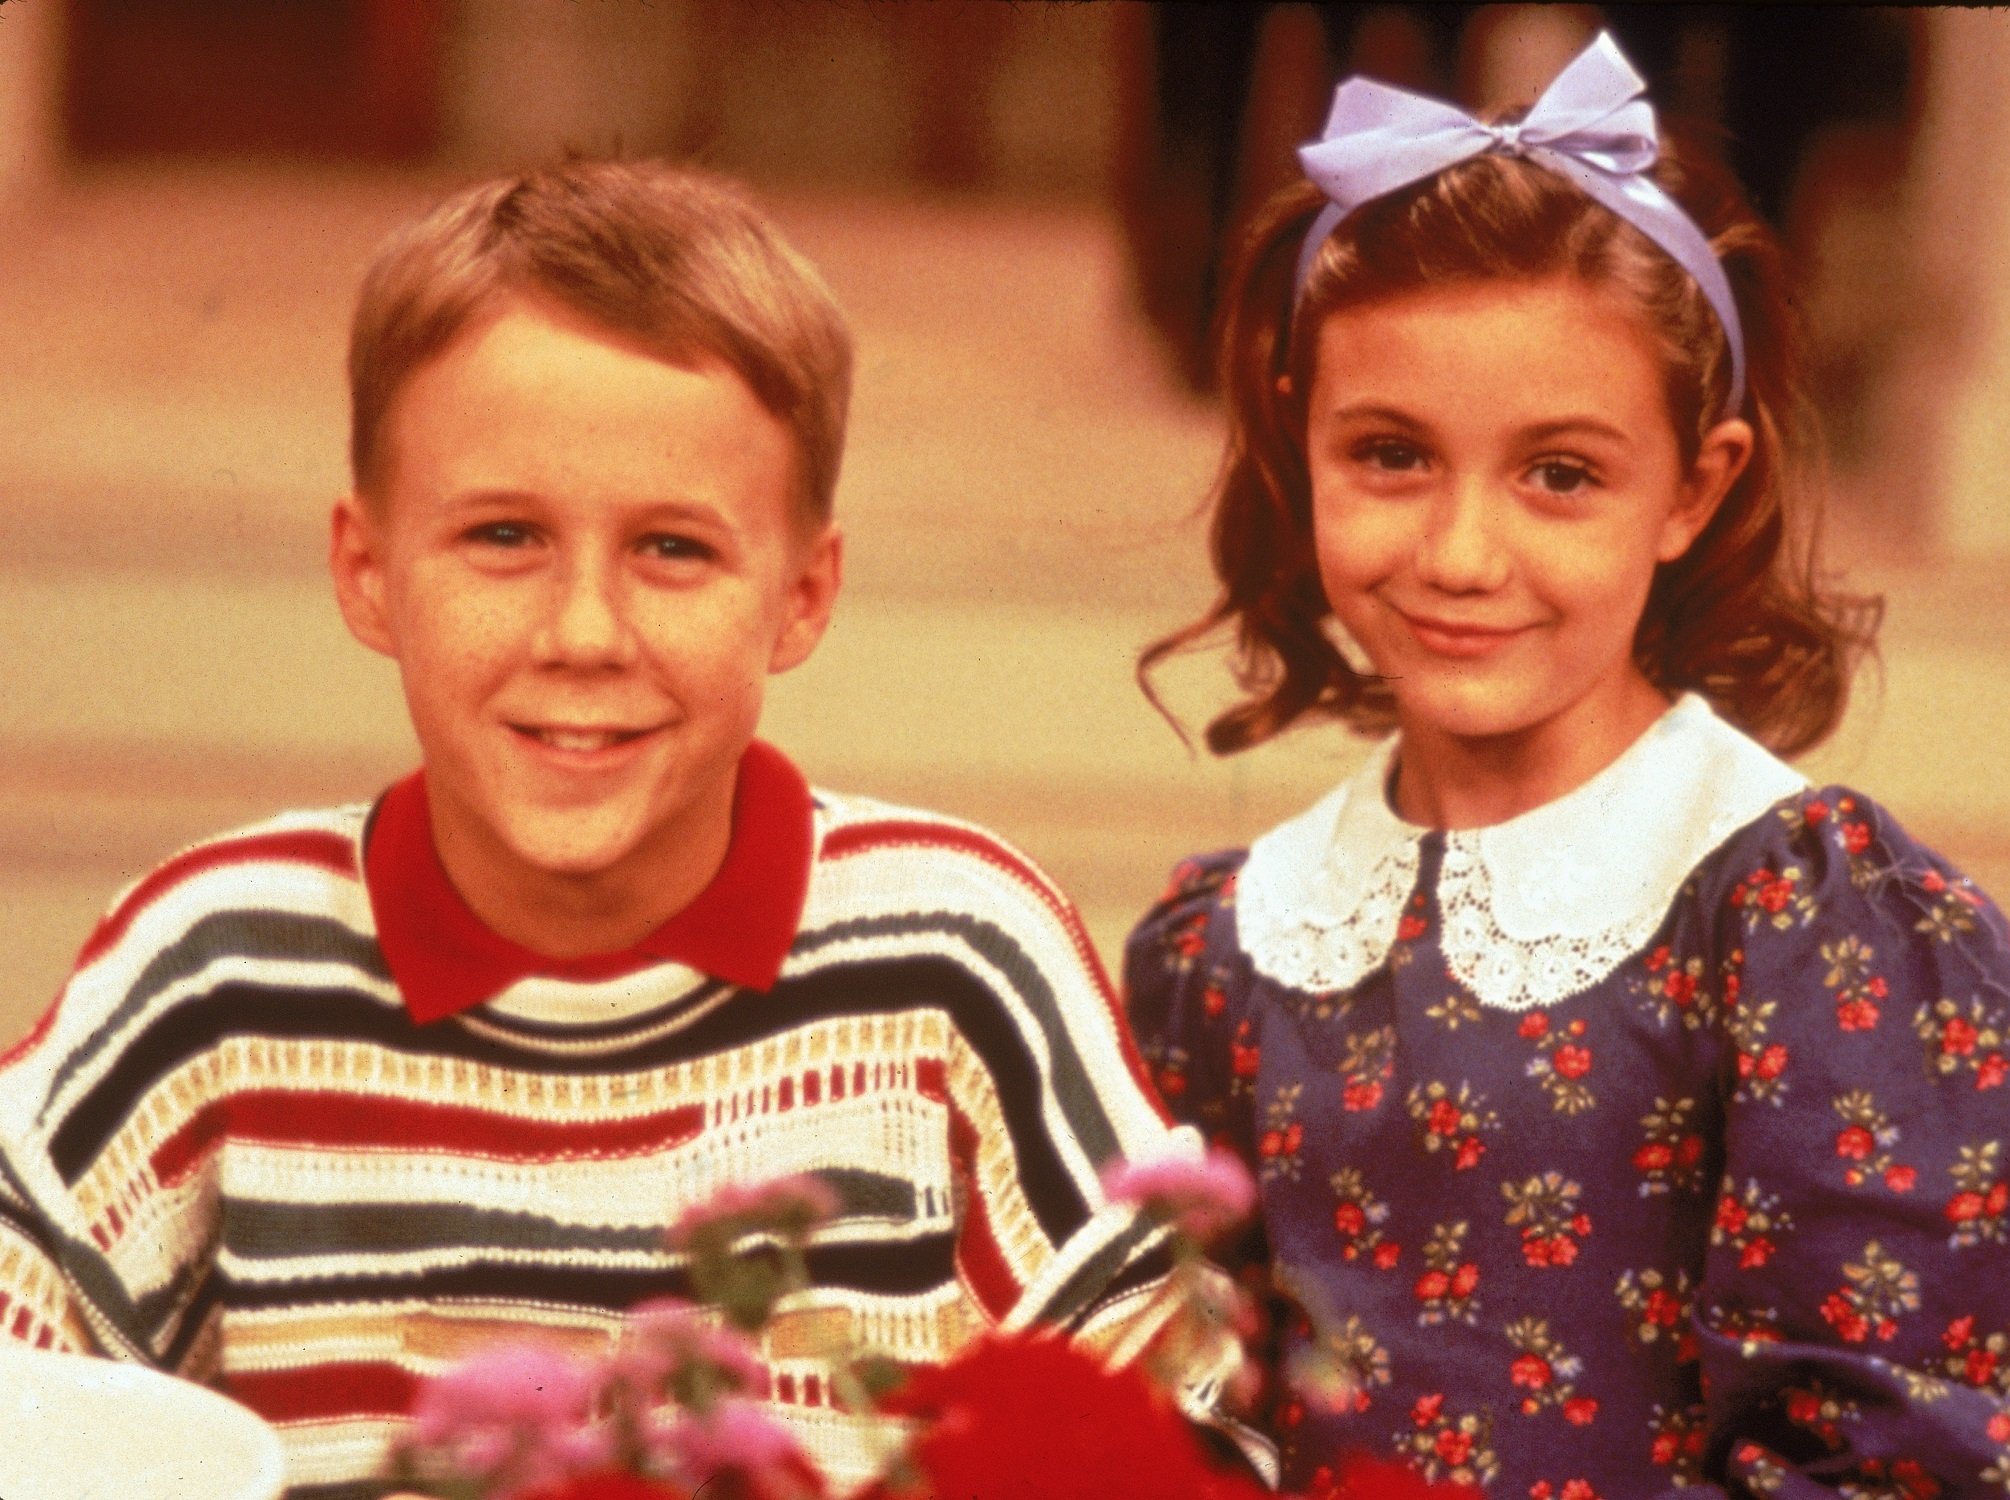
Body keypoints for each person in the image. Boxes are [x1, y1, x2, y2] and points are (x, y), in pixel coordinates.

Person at [0, 160, 1251, 1498]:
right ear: (367, 571)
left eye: (673, 550)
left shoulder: (960, 958)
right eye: (502, 536)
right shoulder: (212, 971)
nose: (585, 634)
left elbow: (1178, 1438)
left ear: (802, 594)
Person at [1125, 35, 2010, 1498]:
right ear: (1294, 440)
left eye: (1559, 474)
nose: (1460, 554)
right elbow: (1185, 1403)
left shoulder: (1808, 932)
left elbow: (1896, 1454)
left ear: (1694, 488)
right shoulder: (1229, 947)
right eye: (1389, 454)